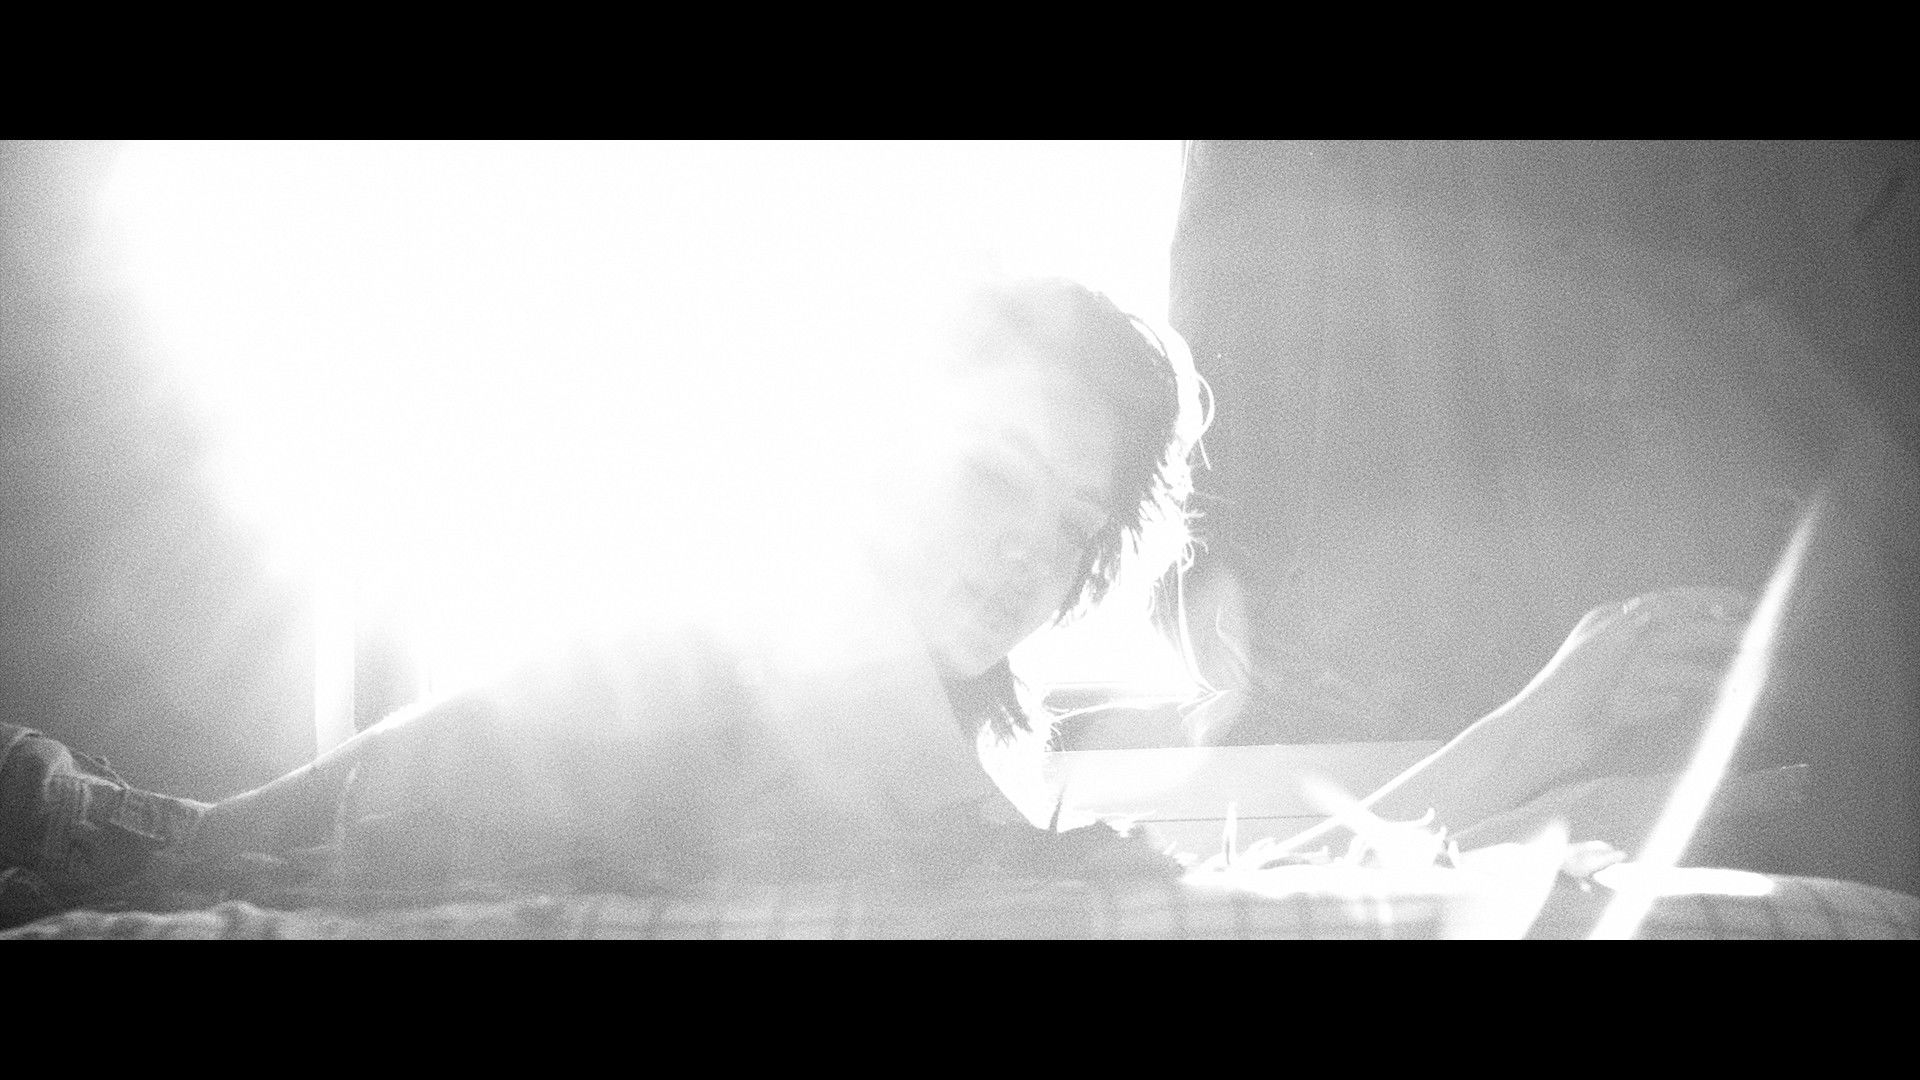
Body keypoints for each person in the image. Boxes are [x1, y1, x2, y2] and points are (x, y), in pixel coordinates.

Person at [0, 276, 1744, 925]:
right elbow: (1142, 911)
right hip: (127, 846)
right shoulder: (805, 635)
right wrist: (1523, 741)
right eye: (990, 475)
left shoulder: (888, 703)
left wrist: (1520, 742)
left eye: (1072, 524)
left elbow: (1122, 902)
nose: (1026, 554)